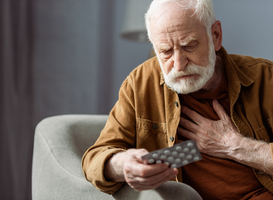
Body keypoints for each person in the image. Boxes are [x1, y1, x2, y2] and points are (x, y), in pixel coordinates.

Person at [82, 0, 273, 199]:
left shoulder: (266, 78)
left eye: (189, 46)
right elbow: (95, 159)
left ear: (215, 35)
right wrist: (124, 165)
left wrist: (235, 146)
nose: (179, 65)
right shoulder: (140, 83)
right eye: (165, 51)